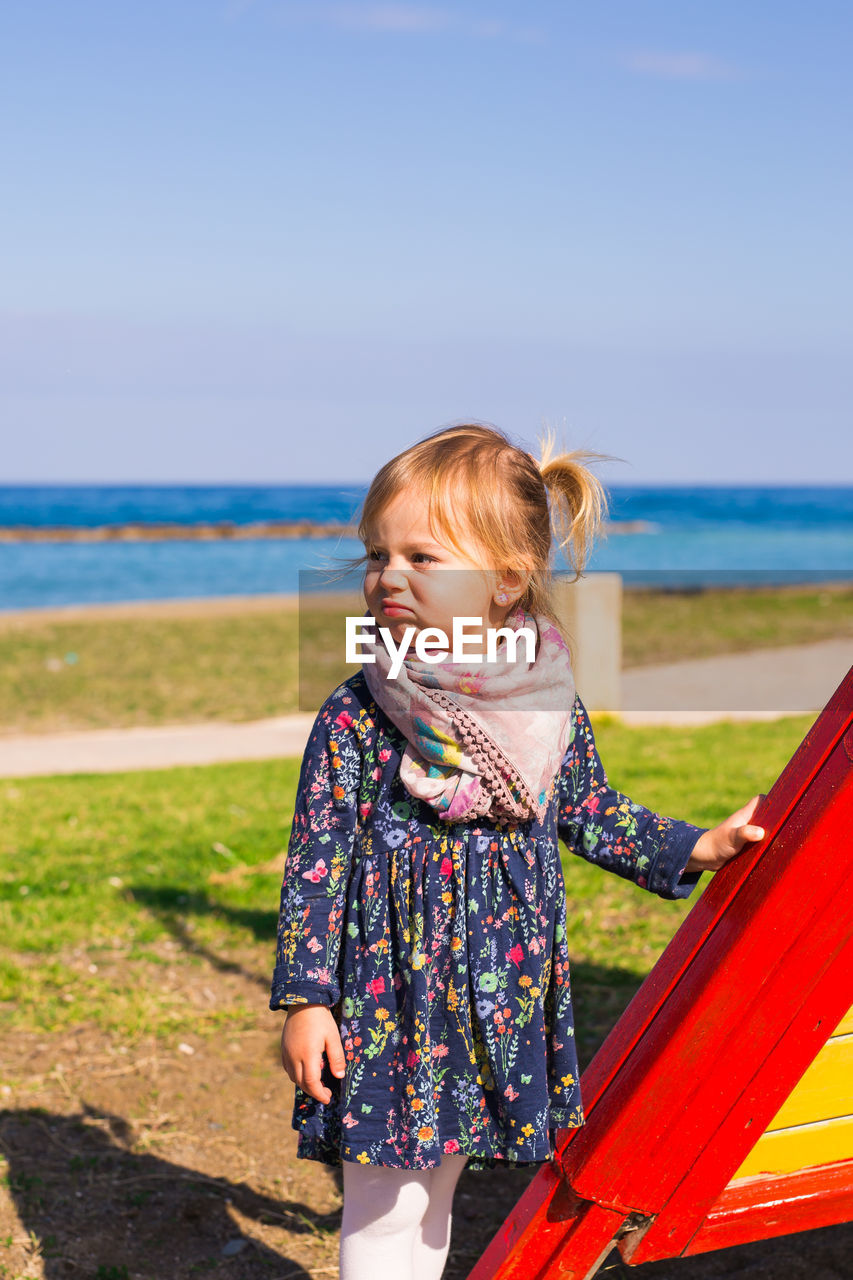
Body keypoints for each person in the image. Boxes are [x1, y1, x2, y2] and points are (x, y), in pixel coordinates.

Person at [270, 423, 766, 1280]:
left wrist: (697, 845)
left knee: (433, 1201)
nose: (388, 575)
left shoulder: (543, 702)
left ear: (503, 582)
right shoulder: (357, 712)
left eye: (422, 558)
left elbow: (590, 812)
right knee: (384, 1204)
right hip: (390, 999)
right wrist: (308, 999)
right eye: (375, 555)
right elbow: (317, 864)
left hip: (493, 995)